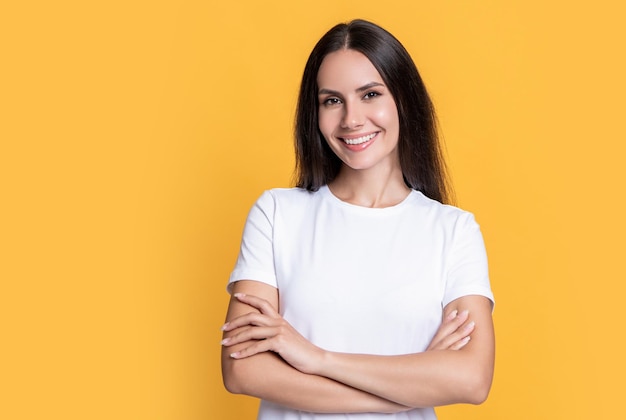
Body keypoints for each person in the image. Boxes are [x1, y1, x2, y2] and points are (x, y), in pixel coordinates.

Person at [221, 19, 495, 420]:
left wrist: (317, 358)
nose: (351, 119)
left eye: (370, 94)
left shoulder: (453, 231)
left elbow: (471, 379)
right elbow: (242, 369)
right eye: (332, 100)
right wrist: (413, 384)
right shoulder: (277, 213)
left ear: (403, 99)